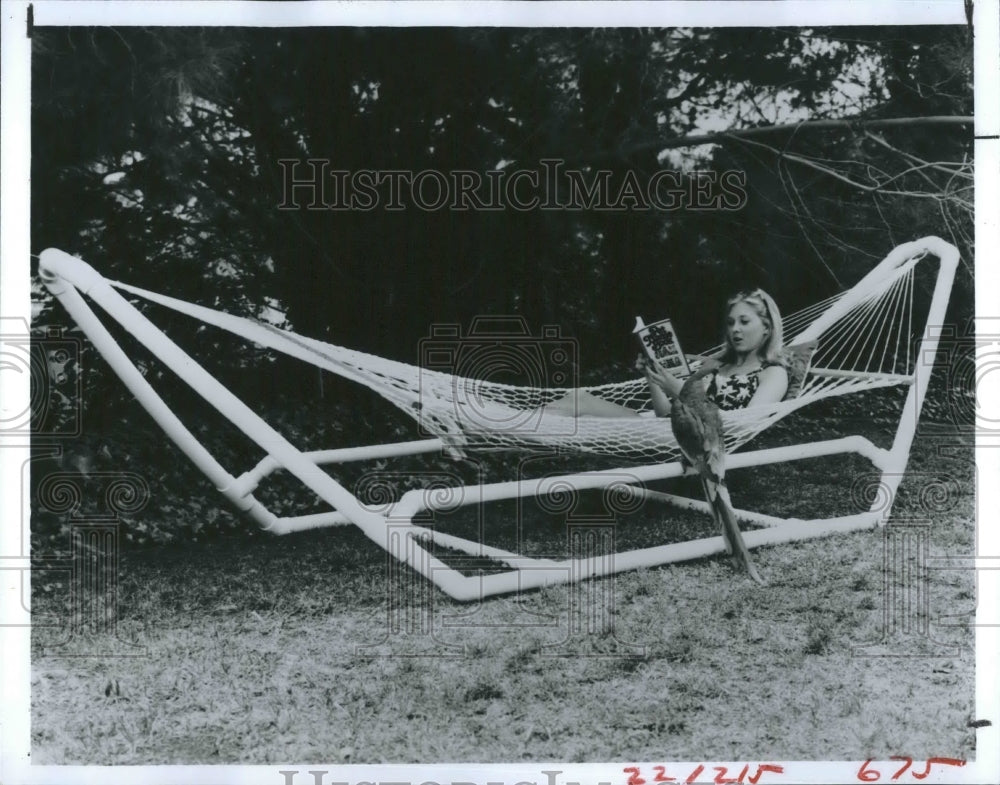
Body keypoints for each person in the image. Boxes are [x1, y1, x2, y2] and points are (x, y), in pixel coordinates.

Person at [543, 288, 789, 417]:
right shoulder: (718, 367)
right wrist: (654, 377)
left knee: (581, 412)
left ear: (767, 328)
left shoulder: (773, 373)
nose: (735, 329)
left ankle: (519, 429)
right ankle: (519, 427)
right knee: (579, 401)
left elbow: (743, 425)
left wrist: (679, 389)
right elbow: (665, 413)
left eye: (744, 322)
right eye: (731, 322)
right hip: (665, 429)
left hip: (696, 444)